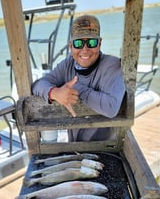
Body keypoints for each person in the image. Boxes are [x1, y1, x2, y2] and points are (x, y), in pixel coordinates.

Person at [32, 14, 126, 142]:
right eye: (78, 43)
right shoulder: (67, 65)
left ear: (99, 43)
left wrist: (77, 89)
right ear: (71, 46)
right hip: (74, 146)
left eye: (91, 42)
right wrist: (54, 93)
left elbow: (111, 107)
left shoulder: (113, 66)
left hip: (105, 147)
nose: (85, 49)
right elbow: (38, 84)